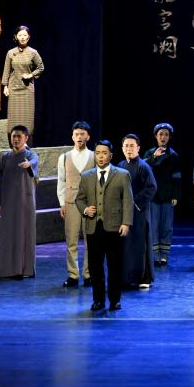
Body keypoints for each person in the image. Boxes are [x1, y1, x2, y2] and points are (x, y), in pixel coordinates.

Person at [75, 140, 132, 313]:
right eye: (98, 153)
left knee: (115, 266)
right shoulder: (87, 176)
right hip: (94, 228)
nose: (100, 156)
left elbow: (128, 201)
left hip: (114, 227)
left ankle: (115, 300)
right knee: (95, 267)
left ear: (111, 155)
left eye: (104, 153)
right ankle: (98, 300)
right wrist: (85, 209)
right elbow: (79, 199)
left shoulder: (122, 175)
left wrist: (126, 222)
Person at [0, 124, 38, 279]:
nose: (16, 139)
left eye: (19, 136)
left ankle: (24, 269)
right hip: (8, 202)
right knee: (8, 234)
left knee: (24, 234)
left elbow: (34, 164)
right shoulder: (5, 158)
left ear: (26, 138)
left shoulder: (31, 155)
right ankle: (8, 270)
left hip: (25, 202)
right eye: (13, 136)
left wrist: (28, 164)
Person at [56, 120, 94, 288]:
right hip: (71, 202)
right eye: (76, 134)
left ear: (88, 136)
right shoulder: (64, 157)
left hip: (89, 204)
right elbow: (61, 181)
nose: (79, 137)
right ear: (72, 136)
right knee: (71, 240)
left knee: (90, 240)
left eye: (82, 134)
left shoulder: (94, 156)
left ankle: (88, 274)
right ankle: (73, 274)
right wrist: (62, 203)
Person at [118, 133, 157, 289]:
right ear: (122, 148)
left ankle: (143, 277)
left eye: (132, 146)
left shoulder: (143, 166)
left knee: (140, 243)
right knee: (126, 244)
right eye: (126, 146)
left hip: (139, 212)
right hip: (124, 212)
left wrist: (134, 201)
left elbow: (152, 187)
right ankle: (126, 277)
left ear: (138, 148)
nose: (129, 149)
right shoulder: (120, 165)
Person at [145, 123, 182, 268]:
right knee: (154, 226)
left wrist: (175, 195)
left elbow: (177, 176)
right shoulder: (149, 153)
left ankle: (164, 256)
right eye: (161, 134)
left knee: (166, 226)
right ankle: (155, 256)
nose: (163, 137)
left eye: (166, 134)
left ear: (169, 137)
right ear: (156, 136)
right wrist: (154, 157)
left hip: (168, 195)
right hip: (153, 196)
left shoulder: (173, 155)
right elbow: (143, 168)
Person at [0, 25, 44, 139]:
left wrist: (31, 75)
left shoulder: (33, 52)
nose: (22, 37)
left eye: (25, 35)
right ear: (16, 37)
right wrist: (5, 86)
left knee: (27, 119)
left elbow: (41, 67)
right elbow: (6, 70)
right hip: (14, 88)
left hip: (27, 89)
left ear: (28, 37)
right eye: (20, 35)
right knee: (14, 118)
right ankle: (14, 143)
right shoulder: (11, 53)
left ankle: (27, 143)